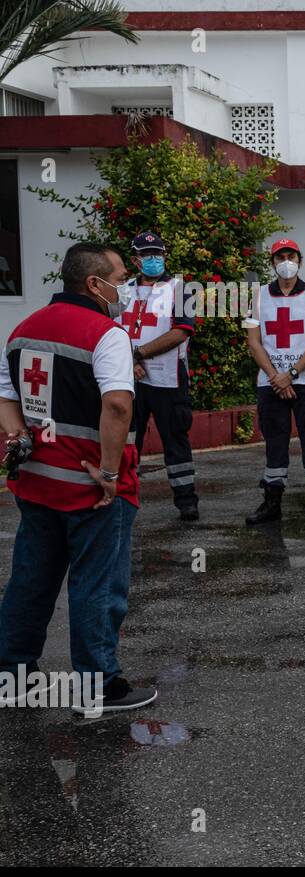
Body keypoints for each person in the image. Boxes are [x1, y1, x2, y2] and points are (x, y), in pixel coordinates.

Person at [0, 242, 156, 712]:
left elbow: (5, 397)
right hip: (92, 488)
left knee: (31, 580)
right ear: (94, 284)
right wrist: (109, 472)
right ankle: (98, 684)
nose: (125, 287)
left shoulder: (22, 331)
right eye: (121, 277)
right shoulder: (106, 334)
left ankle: (12, 675)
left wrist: (18, 440)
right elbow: (117, 405)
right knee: (97, 584)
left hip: (37, 481)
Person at [244, 238, 305, 526]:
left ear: (299, 260)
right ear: (272, 262)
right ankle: (272, 503)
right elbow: (253, 344)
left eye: (290, 256)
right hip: (270, 383)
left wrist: (290, 374)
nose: (286, 261)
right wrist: (276, 377)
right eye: (280, 256)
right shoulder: (256, 297)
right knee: (275, 444)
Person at [120, 230, 199, 521]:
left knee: (176, 439)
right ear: (135, 260)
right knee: (127, 441)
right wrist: (129, 362)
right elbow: (110, 328)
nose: (154, 259)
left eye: (158, 254)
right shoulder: (122, 290)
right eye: (146, 255)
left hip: (169, 379)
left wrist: (136, 355)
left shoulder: (184, 289)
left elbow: (181, 332)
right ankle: (124, 498)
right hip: (129, 379)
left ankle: (187, 500)